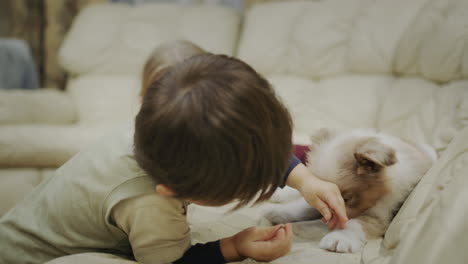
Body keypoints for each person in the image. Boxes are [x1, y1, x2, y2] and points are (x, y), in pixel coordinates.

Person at [0, 43, 347, 264]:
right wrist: (236, 246)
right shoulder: (150, 202)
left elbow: (249, 145)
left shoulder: (155, 130)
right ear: (170, 190)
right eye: (240, 190)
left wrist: (304, 179)